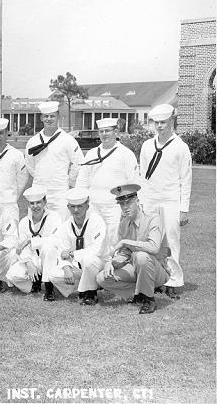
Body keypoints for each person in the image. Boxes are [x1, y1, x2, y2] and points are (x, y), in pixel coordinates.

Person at [138, 103, 192, 300]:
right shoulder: (146, 146)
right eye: (156, 122)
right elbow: (142, 176)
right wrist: (142, 202)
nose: (159, 126)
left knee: (171, 241)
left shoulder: (180, 147)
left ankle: (174, 281)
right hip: (150, 199)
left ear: (172, 122)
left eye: (163, 122)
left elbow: (186, 179)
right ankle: (157, 278)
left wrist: (183, 209)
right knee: (151, 241)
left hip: (170, 200)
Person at [96, 183, 170, 314]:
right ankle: (138, 294)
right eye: (121, 204)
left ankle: (149, 299)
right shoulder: (124, 224)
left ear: (137, 201)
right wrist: (111, 263)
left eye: (129, 203)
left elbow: (154, 248)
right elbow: (124, 252)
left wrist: (125, 242)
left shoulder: (153, 219)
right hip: (136, 267)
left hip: (157, 270)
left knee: (141, 256)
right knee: (102, 278)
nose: (125, 207)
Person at [75, 117, 138, 246]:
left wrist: (130, 206)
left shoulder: (125, 154)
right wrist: (81, 202)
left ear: (116, 132)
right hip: (93, 205)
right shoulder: (92, 153)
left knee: (114, 239)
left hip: (115, 206)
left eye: (108, 131)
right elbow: (82, 181)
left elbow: (133, 182)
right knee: (93, 239)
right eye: (101, 131)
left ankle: (114, 264)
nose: (104, 134)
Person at [43, 188, 107, 305]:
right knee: (53, 275)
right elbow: (63, 252)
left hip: (99, 265)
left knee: (88, 259)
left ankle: (91, 293)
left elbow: (97, 250)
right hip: (79, 267)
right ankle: (82, 289)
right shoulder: (66, 226)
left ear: (87, 205)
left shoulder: (97, 221)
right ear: (68, 207)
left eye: (80, 206)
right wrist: (67, 268)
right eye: (72, 206)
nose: (76, 210)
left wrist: (73, 254)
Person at [25, 101, 84, 220]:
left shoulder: (67, 140)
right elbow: (30, 164)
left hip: (59, 191)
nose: (49, 119)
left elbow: (78, 163)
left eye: (52, 116)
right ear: (41, 118)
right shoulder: (33, 141)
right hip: (39, 190)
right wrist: (40, 177)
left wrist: (69, 180)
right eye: (46, 116)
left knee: (61, 225)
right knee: (37, 225)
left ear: (58, 116)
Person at [6, 185, 61, 295]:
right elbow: (23, 247)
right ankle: (35, 282)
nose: (35, 206)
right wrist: (29, 263)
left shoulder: (55, 217)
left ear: (45, 202)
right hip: (34, 259)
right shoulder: (24, 222)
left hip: (51, 259)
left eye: (38, 202)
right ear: (29, 205)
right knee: (13, 275)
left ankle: (49, 288)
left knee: (48, 247)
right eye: (32, 203)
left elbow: (55, 240)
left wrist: (30, 241)